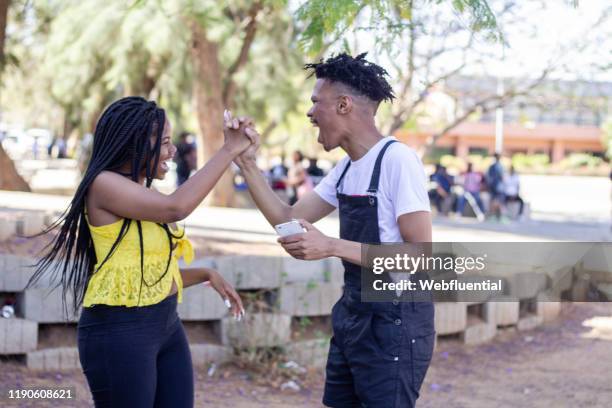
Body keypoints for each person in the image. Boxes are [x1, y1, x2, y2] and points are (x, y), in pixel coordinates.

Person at [232, 53, 434, 407]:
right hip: (353, 316)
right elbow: (288, 217)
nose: (310, 114)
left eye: (315, 102)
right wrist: (246, 163)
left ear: (343, 105)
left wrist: (332, 246)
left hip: (394, 322)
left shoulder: (397, 161)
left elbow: (421, 255)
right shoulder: (346, 168)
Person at [26, 97, 250, 408]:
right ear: (135, 144)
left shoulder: (144, 191)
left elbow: (143, 278)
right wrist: (227, 150)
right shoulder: (103, 185)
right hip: (119, 334)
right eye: (166, 143)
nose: (173, 152)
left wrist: (206, 274)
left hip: (166, 326)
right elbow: (177, 207)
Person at [486, 153, 505, 218]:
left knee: (495, 200)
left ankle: (495, 215)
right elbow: (501, 177)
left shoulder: (497, 166)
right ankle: (494, 215)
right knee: (495, 200)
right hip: (495, 186)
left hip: (496, 186)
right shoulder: (496, 166)